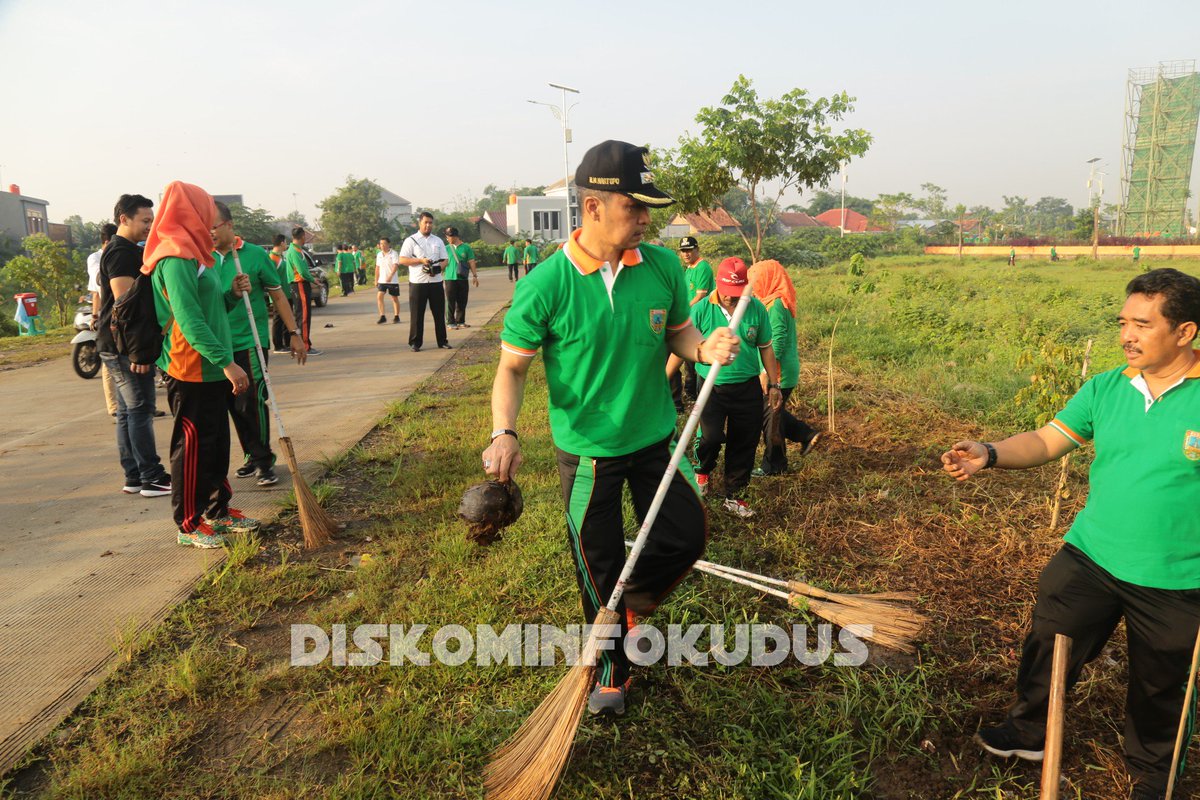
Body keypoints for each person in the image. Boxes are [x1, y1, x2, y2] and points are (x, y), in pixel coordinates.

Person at [482, 139, 739, 716]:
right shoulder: (546, 284)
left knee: (686, 536)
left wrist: (706, 347)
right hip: (588, 455)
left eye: (651, 207)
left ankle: (628, 609)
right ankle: (612, 666)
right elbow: (512, 368)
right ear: (593, 207)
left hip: (654, 440)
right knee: (597, 569)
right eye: (636, 206)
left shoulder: (664, 266)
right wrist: (505, 432)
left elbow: (678, 335)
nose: (648, 219)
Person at [941, 268, 1200, 800]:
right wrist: (988, 454)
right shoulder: (1107, 386)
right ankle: (1029, 728)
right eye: (1123, 322)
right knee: (1050, 637)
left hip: (1178, 574)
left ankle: (1154, 774)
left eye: (1143, 324)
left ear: (1185, 331)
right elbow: (1046, 440)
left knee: (1162, 682)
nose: (1127, 334)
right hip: (1093, 554)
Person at [145, 182, 260, 549]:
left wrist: (230, 294)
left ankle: (217, 511)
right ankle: (188, 523)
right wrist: (227, 362)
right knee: (193, 444)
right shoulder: (175, 257)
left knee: (216, 440)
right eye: (205, 206)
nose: (211, 214)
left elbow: (209, 311)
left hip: (211, 362)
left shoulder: (198, 253)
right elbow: (190, 320)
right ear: (189, 210)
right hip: (191, 365)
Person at [669, 257, 781, 518]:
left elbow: (765, 347)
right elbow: (681, 347)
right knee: (709, 437)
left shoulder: (755, 309)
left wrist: (774, 383)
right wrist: (664, 377)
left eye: (737, 293)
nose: (732, 298)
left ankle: (735, 495)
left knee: (744, 441)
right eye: (728, 293)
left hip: (747, 387)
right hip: (710, 387)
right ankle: (702, 472)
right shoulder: (701, 310)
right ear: (717, 285)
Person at [211, 201, 307, 488]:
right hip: (218, 343)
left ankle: (264, 460)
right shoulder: (203, 258)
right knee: (231, 403)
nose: (208, 232)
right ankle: (251, 454)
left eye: (213, 226)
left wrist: (293, 332)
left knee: (251, 400)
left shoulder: (253, 256)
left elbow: (278, 296)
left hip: (249, 340)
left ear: (229, 225)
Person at [97, 194, 172, 498]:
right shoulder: (122, 253)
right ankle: (151, 476)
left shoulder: (124, 250)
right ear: (123, 219)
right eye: (144, 221)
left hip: (113, 342)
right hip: (124, 345)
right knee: (140, 408)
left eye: (151, 221)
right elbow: (126, 305)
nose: (149, 226)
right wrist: (139, 350)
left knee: (129, 412)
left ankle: (134, 475)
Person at [746, 260, 819, 476]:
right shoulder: (771, 302)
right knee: (769, 414)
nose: (752, 286)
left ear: (767, 280)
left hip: (779, 373)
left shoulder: (776, 305)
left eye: (755, 281)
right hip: (778, 370)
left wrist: (766, 374)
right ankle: (805, 434)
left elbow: (776, 341)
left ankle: (774, 466)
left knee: (771, 420)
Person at [398, 211, 450, 352]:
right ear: (420, 223)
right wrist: (420, 260)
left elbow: (445, 259)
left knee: (439, 313)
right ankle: (415, 342)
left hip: (436, 282)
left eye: (430, 223)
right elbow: (402, 259)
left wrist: (438, 269)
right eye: (425, 222)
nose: (428, 225)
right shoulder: (410, 240)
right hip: (417, 283)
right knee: (417, 314)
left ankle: (442, 341)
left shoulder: (438, 240)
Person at [677, 236, 714, 404]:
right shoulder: (689, 269)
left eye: (689, 250)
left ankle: (697, 393)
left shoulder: (702, 267)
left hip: (701, 318)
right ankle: (691, 392)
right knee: (688, 357)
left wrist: (683, 311)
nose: (686, 254)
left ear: (697, 250)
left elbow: (700, 295)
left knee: (697, 354)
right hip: (689, 318)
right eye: (683, 251)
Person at [88, 223, 119, 417]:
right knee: (110, 362)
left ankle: (136, 405)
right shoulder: (96, 258)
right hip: (109, 316)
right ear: (107, 242)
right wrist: (95, 314)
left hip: (122, 316)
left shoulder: (122, 253)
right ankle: (114, 406)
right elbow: (96, 287)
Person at [282, 227, 322, 355]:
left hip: (297, 284)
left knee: (300, 315)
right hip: (299, 284)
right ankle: (305, 346)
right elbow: (302, 271)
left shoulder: (295, 250)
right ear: (303, 236)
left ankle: (299, 344)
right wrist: (313, 280)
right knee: (303, 316)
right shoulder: (295, 251)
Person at [443, 227, 479, 330]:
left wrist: (475, 276)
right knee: (450, 301)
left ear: (454, 236)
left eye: (448, 236)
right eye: (446, 236)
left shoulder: (466, 248)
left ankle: (460, 321)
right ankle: (450, 322)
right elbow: (442, 263)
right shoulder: (446, 248)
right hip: (450, 278)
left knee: (462, 300)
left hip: (462, 278)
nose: (447, 238)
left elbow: (471, 261)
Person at [268, 234, 292, 352]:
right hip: (277, 295)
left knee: (286, 319)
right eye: (286, 242)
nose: (286, 244)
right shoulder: (272, 258)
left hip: (287, 293)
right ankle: (278, 345)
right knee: (278, 320)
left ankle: (287, 343)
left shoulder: (282, 257)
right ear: (282, 243)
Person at [375, 237, 401, 324]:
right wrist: (376, 279)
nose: (382, 245)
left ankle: (396, 316)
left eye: (384, 243)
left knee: (394, 298)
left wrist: (390, 276)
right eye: (381, 244)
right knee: (379, 296)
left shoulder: (394, 253)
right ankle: (382, 316)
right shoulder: (379, 254)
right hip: (382, 280)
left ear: (388, 244)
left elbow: (395, 266)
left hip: (392, 280)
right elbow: (377, 268)